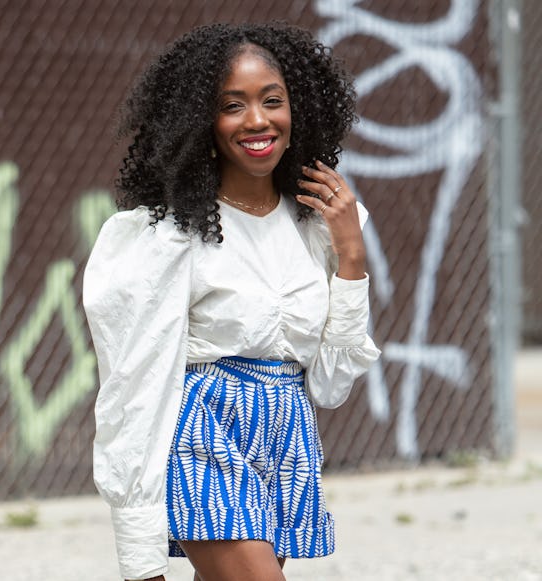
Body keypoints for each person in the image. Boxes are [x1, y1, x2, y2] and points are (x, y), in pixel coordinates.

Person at [83, 21, 381, 581]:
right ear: (202, 123)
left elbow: (332, 383)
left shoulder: (318, 228)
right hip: (200, 427)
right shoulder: (167, 237)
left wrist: (351, 257)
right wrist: (139, 551)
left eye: (273, 101)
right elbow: (135, 382)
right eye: (232, 105)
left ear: (301, 112)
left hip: (286, 429)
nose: (257, 120)